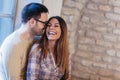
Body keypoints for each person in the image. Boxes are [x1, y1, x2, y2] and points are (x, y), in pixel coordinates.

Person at [0, 2, 48, 80]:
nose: (45, 27)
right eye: (44, 23)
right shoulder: (13, 45)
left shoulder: (35, 40)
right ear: (32, 22)